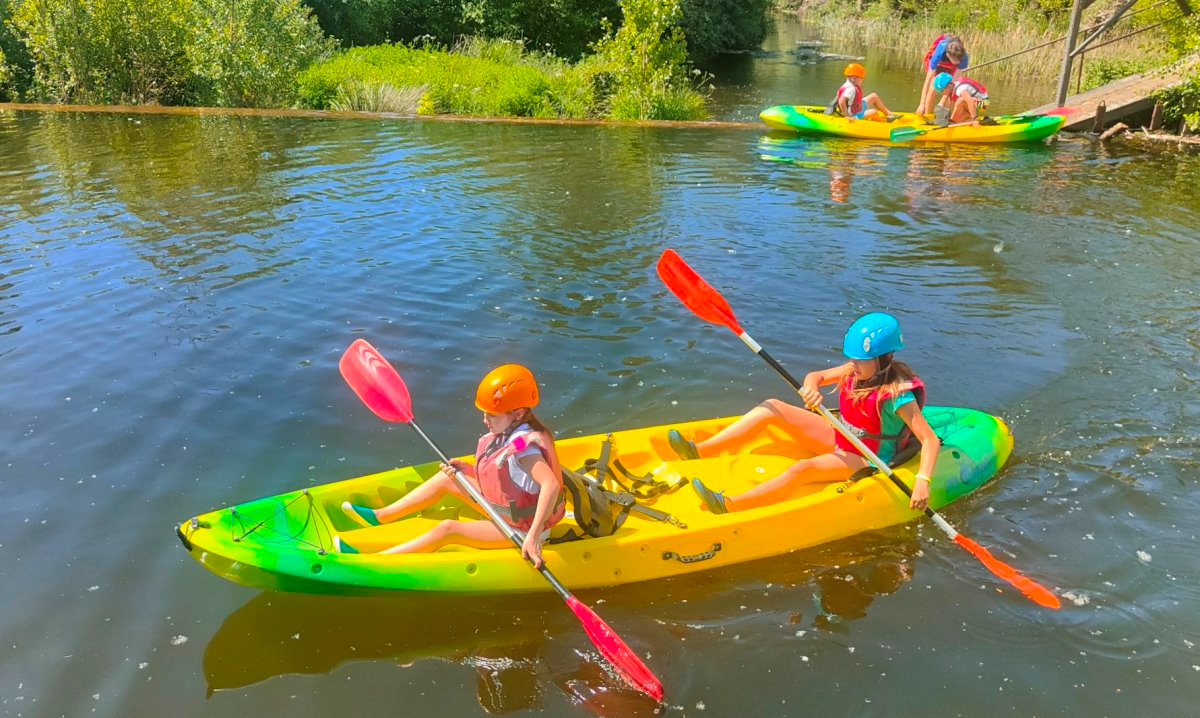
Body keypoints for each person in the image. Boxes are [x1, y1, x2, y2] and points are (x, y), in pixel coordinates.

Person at [667, 313, 940, 514]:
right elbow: (817, 376)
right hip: (842, 435)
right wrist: (811, 389)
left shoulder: (897, 395)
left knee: (802, 469)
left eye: (861, 360)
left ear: (884, 358)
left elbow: (929, 440)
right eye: (852, 359)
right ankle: (697, 450)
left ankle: (730, 504)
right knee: (772, 406)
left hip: (865, 455)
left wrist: (922, 482)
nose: (853, 366)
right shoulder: (855, 369)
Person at [336, 364, 565, 567]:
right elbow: (507, 476)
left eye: (492, 416)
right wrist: (468, 470)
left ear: (518, 413)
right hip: (507, 508)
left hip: (521, 528)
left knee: (448, 529)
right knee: (449, 477)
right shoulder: (513, 430)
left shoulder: (524, 449)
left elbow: (551, 485)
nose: (485, 421)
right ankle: (380, 516)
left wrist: (533, 536)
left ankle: (375, 561)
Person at [916, 34, 968, 116]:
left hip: (952, 67)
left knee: (950, 91)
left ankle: (945, 116)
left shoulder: (963, 58)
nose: (958, 62)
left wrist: (942, 102)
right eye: (956, 60)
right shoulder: (938, 54)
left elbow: (953, 83)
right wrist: (922, 103)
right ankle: (927, 114)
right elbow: (928, 80)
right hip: (939, 64)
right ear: (948, 55)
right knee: (933, 86)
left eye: (959, 60)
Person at [829, 63, 894, 121]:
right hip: (854, 115)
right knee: (874, 112)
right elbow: (841, 101)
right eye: (861, 78)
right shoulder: (851, 89)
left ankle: (889, 114)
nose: (862, 80)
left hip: (857, 107)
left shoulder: (846, 84)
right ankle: (885, 122)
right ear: (854, 78)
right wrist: (847, 116)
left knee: (874, 96)